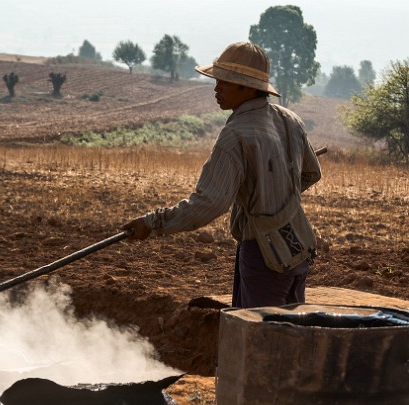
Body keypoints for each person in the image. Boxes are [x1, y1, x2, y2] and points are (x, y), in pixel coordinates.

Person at [121, 41, 322, 308]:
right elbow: (311, 173)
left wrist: (153, 222)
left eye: (225, 82)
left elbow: (210, 203)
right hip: (298, 246)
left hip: (263, 254)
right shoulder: (290, 120)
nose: (217, 89)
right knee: (291, 335)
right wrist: (278, 196)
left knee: (256, 337)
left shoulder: (235, 135)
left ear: (248, 87)